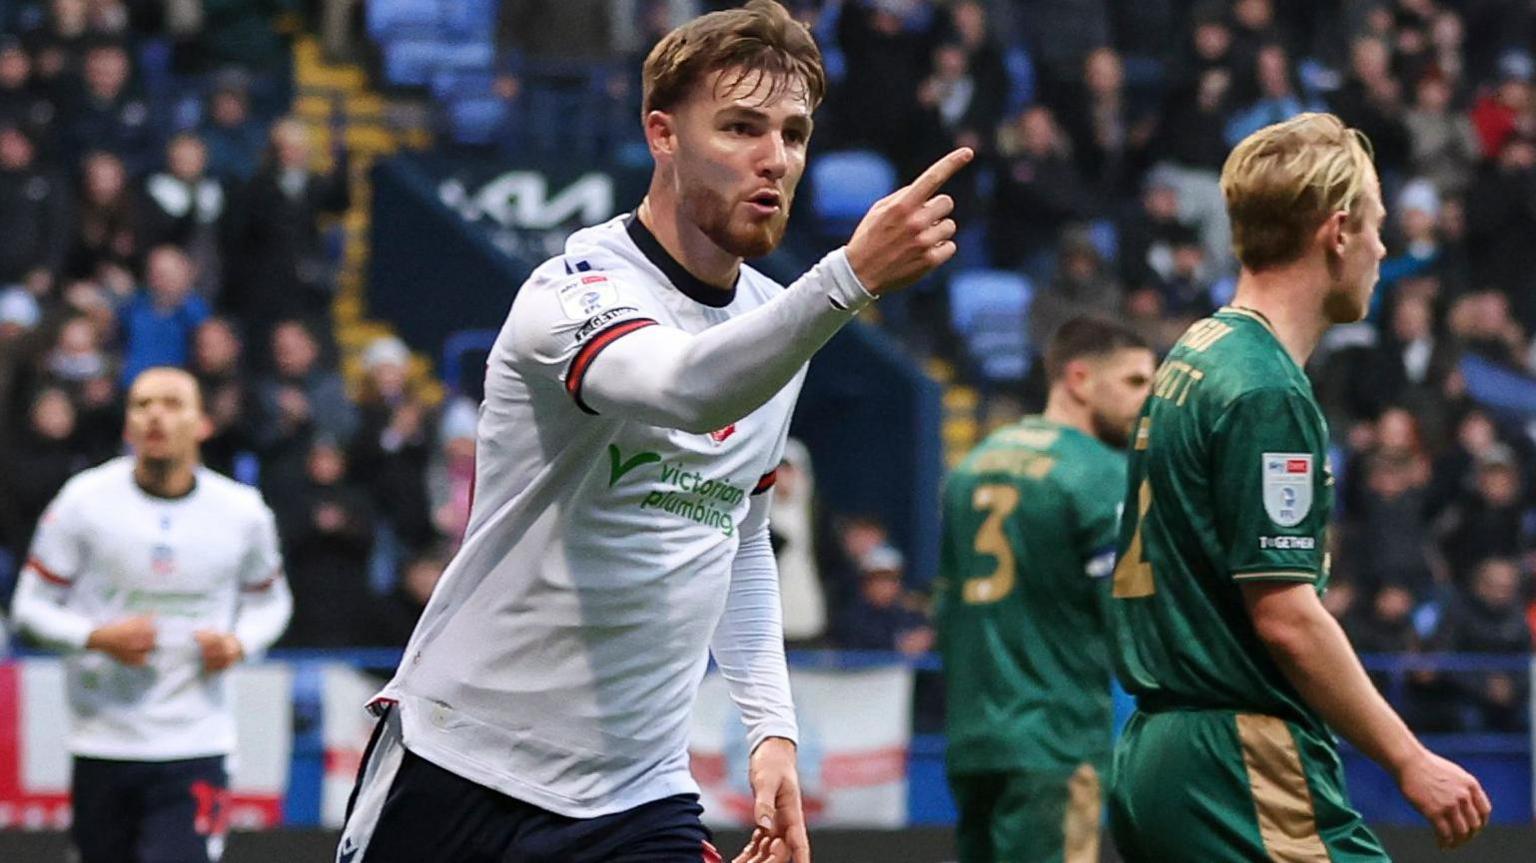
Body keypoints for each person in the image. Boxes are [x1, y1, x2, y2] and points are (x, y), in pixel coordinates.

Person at [333, 3, 972, 862]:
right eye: (741, 127)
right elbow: (681, 390)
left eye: (792, 132)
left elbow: (738, 531)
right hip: (462, 761)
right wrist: (848, 277)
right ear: (662, 133)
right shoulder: (571, 294)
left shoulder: (772, 324)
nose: (774, 157)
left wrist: (771, 729)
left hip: (637, 797)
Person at [1106, 113, 1490, 861]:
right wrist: (1410, 758)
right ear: (1338, 230)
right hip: (1238, 758)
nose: (1384, 248)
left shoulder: (1198, 349)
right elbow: (1285, 614)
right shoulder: (1264, 390)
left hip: (1162, 751)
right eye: (1377, 225)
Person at [8, 366, 292, 863]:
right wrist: (96, 637)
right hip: (102, 740)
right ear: (127, 425)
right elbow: (29, 608)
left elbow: (272, 601)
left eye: (171, 403)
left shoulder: (242, 511)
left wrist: (239, 643)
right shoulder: (83, 502)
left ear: (203, 423)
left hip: (196, 740)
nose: (155, 415)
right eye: (142, 405)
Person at [936, 317, 1155, 863]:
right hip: (1056, 740)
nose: (1148, 401)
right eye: (1134, 382)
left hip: (973, 741)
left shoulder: (971, 468)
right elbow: (1132, 617)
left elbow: (945, 609)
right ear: (1078, 379)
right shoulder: (1103, 473)